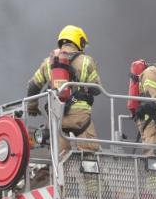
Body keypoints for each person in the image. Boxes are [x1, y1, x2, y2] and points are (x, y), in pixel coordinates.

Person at [26, 25, 103, 159]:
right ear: (79, 41)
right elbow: (97, 89)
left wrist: (32, 106)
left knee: (60, 161)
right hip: (80, 120)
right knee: (89, 157)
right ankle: (91, 179)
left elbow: (32, 86)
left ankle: (61, 179)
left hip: (57, 119)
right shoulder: (86, 61)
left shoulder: (48, 62)